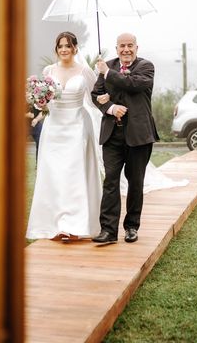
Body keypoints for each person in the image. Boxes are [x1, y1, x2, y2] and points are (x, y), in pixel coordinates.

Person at [26, 31, 103, 241]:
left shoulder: (85, 71)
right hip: (54, 127)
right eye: (60, 46)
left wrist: (104, 77)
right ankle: (55, 223)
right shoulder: (48, 70)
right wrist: (40, 103)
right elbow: (44, 101)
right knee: (53, 175)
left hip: (77, 125)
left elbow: (97, 97)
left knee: (73, 175)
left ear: (75, 48)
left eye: (67, 46)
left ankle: (73, 225)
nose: (63, 50)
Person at [91, 33, 159, 245]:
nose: (126, 49)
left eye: (130, 45)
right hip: (112, 135)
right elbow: (96, 94)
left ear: (137, 47)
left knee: (135, 181)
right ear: (117, 47)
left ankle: (131, 227)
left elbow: (134, 84)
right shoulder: (106, 65)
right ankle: (108, 231)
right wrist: (109, 106)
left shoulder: (146, 67)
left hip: (139, 135)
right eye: (122, 46)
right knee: (110, 180)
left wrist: (107, 73)